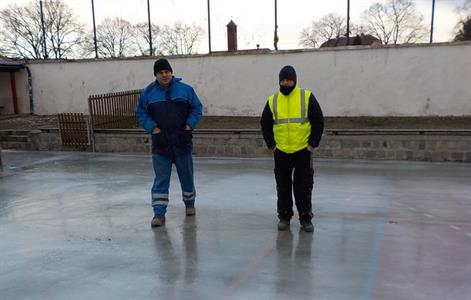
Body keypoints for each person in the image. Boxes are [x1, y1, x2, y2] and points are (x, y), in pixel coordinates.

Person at [136, 58, 203, 227]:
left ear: (171, 72)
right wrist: (153, 128)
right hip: (161, 144)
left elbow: (197, 108)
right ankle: (159, 213)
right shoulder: (148, 93)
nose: (164, 75)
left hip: (182, 141)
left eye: (166, 71)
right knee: (161, 179)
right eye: (160, 73)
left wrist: (189, 125)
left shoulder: (186, 90)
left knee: (186, 175)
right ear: (156, 75)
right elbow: (141, 113)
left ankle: (189, 203)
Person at [260, 65, 324, 232]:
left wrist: (312, 144)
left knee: (303, 186)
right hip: (281, 151)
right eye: (283, 80)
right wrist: (271, 145)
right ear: (279, 81)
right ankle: (284, 216)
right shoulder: (273, 100)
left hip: (303, 150)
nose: (286, 83)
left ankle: (305, 218)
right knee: (283, 186)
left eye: (289, 80)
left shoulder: (307, 96)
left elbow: (318, 121)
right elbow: (265, 123)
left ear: (294, 81)